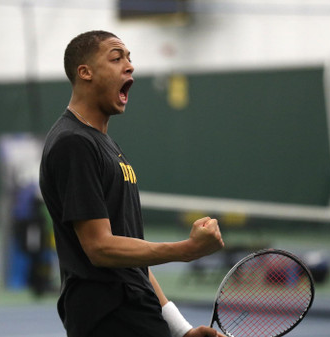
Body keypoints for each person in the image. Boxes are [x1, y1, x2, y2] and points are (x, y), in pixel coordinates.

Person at [39, 31, 226, 337]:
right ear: (85, 72)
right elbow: (101, 248)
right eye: (116, 58)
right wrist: (186, 249)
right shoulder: (73, 143)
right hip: (109, 315)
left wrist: (181, 330)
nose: (129, 66)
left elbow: (131, 257)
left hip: (134, 309)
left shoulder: (105, 144)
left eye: (129, 58)